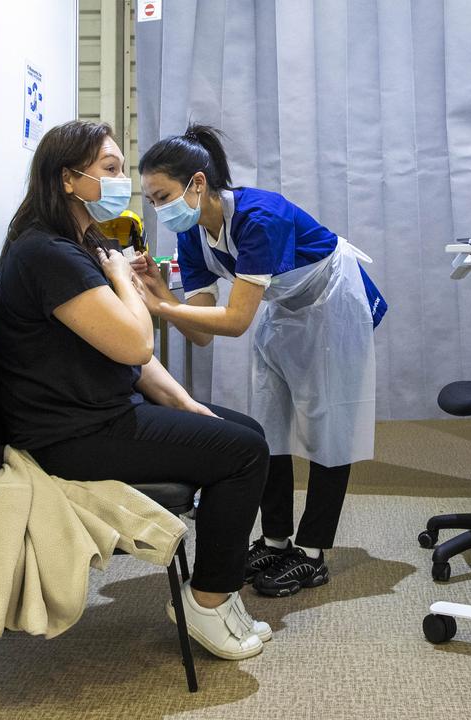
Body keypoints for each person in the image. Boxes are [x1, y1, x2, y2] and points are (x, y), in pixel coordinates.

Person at [0, 120, 271, 660]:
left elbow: (133, 361)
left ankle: (219, 588)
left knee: (242, 431)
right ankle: (206, 602)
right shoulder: (48, 254)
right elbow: (136, 346)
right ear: (69, 180)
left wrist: (187, 405)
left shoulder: (75, 243)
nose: (121, 183)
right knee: (245, 453)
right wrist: (124, 278)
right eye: (111, 170)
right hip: (73, 435)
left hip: (102, 411)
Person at [135, 124, 387, 598]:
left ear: (197, 184)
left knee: (327, 427)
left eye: (162, 195)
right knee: (268, 425)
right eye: (150, 200)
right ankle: (275, 540)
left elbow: (234, 322)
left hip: (332, 302)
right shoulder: (191, 235)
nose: (158, 209)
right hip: (284, 306)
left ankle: (312, 554)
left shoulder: (259, 217)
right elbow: (204, 332)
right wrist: (161, 293)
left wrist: (161, 308)